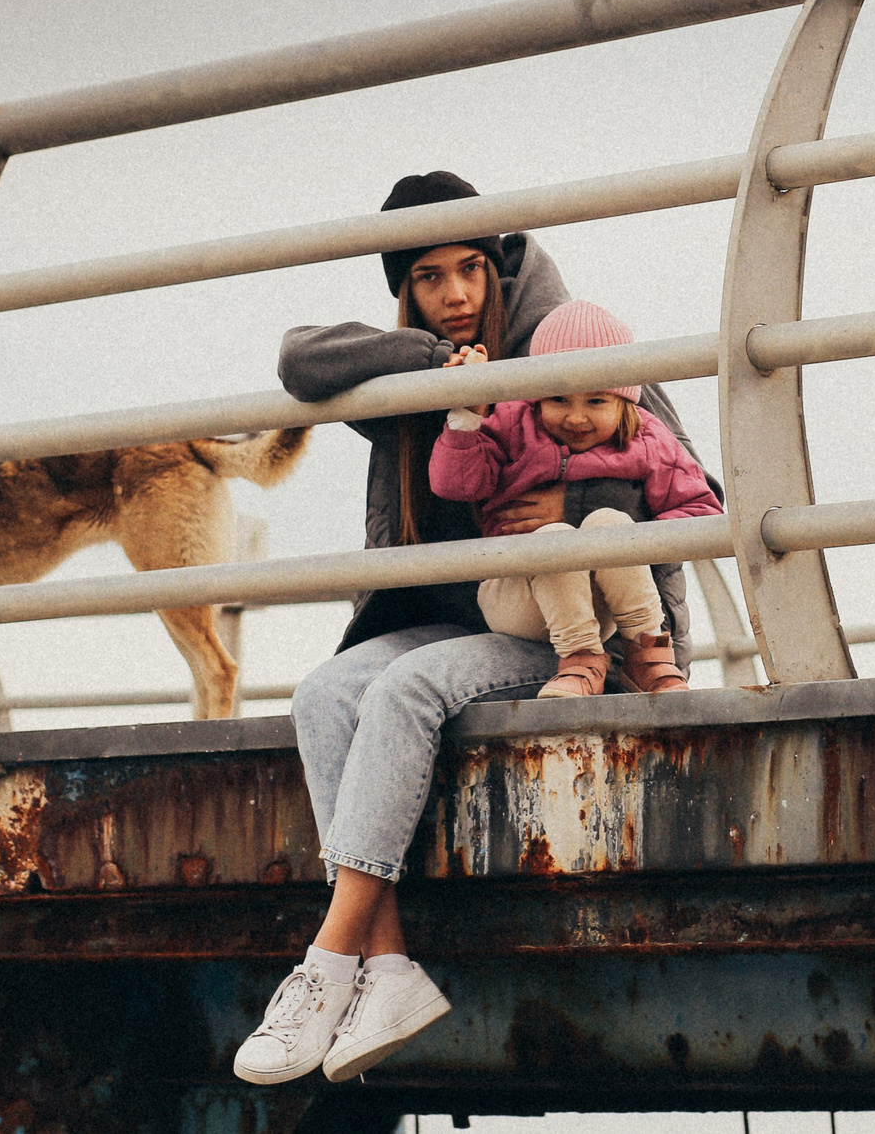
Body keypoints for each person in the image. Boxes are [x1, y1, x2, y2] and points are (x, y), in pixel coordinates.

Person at [231, 170, 710, 1087]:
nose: (454, 296)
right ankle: (391, 963)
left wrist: (573, 505)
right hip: (460, 615)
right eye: (426, 278)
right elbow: (302, 360)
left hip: (574, 632)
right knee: (327, 692)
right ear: (404, 290)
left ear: (498, 265)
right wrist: (433, 364)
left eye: (467, 272)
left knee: (407, 691)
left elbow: (686, 493)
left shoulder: (575, 347)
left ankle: (328, 961)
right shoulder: (426, 360)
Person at [432, 299, 720, 698]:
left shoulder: (649, 438)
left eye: (596, 401)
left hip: (603, 606)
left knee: (610, 525)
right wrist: (466, 414)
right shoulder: (513, 425)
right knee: (556, 539)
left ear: (625, 401)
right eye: (559, 399)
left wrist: (630, 542)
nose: (576, 418)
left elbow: (701, 512)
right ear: (537, 396)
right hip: (518, 591)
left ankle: (649, 655)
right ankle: (579, 658)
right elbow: (456, 485)